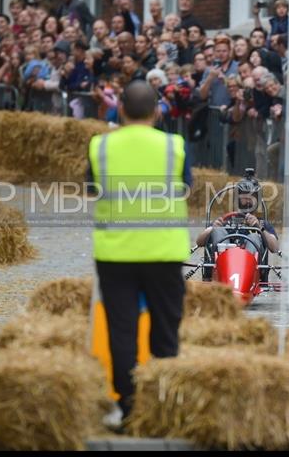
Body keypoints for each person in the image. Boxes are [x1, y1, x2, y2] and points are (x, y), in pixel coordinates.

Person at [86, 80, 192, 422]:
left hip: (115, 254)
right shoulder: (174, 145)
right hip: (163, 252)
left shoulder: (100, 145)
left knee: (122, 329)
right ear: (157, 111)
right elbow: (188, 185)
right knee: (165, 327)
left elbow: (91, 187)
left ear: (121, 110)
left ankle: (128, 405)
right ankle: (162, 402)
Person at [194, 172, 279, 269]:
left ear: (257, 199)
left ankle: (246, 268)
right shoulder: (225, 220)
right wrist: (212, 229)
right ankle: (224, 267)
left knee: (254, 236)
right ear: (237, 197)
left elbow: (275, 248)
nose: (247, 199)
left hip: (249, 273)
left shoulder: (262, 223)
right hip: (224, 269)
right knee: (218, 231)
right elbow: (199, 242)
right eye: (244, 195)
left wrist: (259, 228)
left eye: (251, 196)